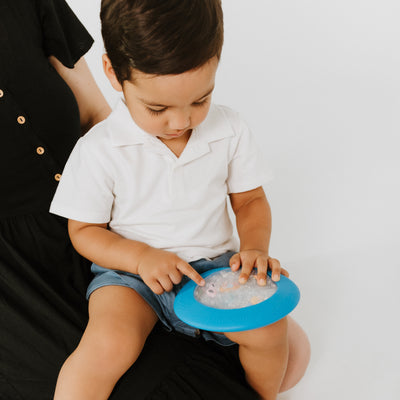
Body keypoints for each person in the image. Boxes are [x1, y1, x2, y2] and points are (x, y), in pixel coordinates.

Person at [1, 1, 274, 399]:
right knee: (108, 344)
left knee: (273, 334)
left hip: (210, 269)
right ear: (113, 73)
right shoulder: (100, 147)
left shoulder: (228, 129)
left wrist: (254, 250)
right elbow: (84, 231)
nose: (181, 122)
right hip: (131, 278)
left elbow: (250, 201)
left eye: (200, 100)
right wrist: (140, 259)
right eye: (158, 108)